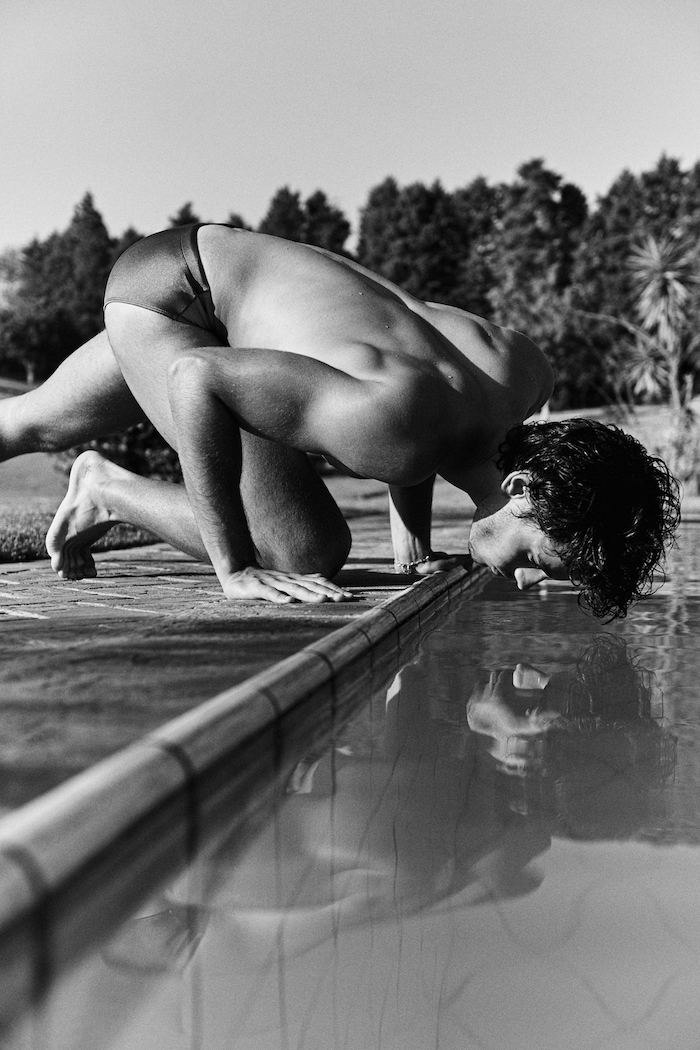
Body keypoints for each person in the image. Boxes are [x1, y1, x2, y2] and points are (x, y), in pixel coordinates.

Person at [0, 224, 680, 615]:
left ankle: (89, 477)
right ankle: (104, 489)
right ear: (527, 490)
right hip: (181, 307)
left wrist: (412, 547)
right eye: (537, 558)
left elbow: (427, 416)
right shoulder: (397, 430)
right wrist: (233, 569)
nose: (530, 579)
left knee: (27, 424)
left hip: (202, 266)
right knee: (302, 552)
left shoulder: (521, 374)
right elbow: (196, 377)